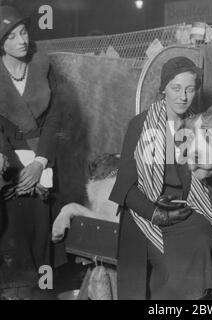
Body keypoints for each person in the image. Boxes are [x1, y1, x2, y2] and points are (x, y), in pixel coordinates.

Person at [110, 56, 212, 300]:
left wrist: (211, 167)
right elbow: (124, 188)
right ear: (163, 89)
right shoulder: (141, 125)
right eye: (176, 88)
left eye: (190, 89)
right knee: (174, 263)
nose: (183, 96)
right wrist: (155, 213)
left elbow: (208, 181)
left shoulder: (197, 127)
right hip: (144, 213)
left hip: (181, 210)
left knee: (203, 239)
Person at [0, 6, 61, 293]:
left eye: (23, 32)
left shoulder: (42, 66)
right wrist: (18, 168)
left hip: (41, 161)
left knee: (41, 238)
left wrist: (40, 163)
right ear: (2, 43)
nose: (21, 40)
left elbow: (54, 120)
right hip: (9, 164)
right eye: (11, 36)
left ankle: (42, 292)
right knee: (12, 236)